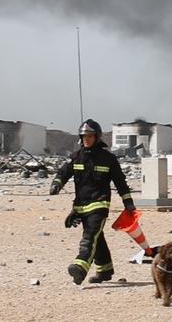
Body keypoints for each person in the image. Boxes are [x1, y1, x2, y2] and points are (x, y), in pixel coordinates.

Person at [49, 119, 135, 284]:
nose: (86, 139)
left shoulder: (108, 159)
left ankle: (80, 267)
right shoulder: (76, 157)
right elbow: (63, 172)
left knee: (89, 236)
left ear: (97, 137)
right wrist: (56, 184)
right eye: (84, 136)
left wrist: (128, 203)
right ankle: (105, 270)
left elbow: (120, 183)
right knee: (97, 237)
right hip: (81, 207)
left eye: (89, 136)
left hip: (99, 205)